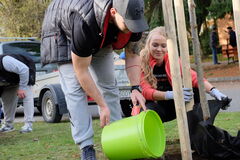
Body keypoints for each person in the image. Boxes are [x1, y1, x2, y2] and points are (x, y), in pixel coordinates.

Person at [41, 0, 148, 159]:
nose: (132, 28)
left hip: (101, 35)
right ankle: (86, 147)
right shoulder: (84, 22)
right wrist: (102, 105)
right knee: (74, 90)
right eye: (128, 24)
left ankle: (116, 138)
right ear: (113, 12)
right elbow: (81, 71)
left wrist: (135, 87)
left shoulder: (133, 18)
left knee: (109, 85)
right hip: (62, 33)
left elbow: (132, 54)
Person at [140, 26, 228, 123]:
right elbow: (146, 91)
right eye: (155, 45)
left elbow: (193, 77)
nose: (159, 49)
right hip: (158, 106)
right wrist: (171, 94)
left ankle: (197, 129)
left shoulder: (173, 60)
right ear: (148, 44)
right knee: (145, 111)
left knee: (194, 89)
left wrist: (214, 91)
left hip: (176, 105)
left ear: (168, 47)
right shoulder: (143, 62)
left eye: (163, 46)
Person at [0, 54, 35, 133]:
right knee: (7, 99)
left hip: (26, 70)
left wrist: (22, 88)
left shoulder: (5, 61)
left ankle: (28, 125)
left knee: (26, 95)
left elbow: (24, 69)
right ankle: (8, 125)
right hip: (9, 80)